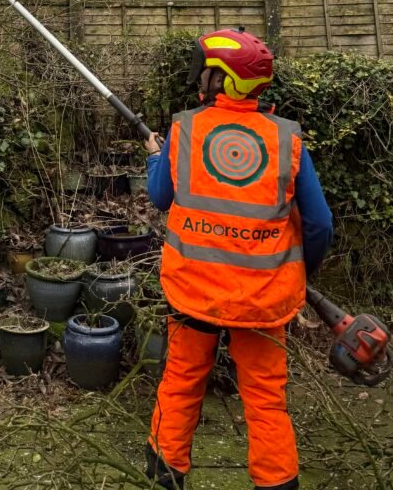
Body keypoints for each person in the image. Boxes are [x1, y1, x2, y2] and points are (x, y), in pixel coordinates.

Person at [144, 28, 333, 490]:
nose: (199, 81)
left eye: (206, 72)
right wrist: (298, 274)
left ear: (223, 80)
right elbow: (320, 224)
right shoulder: (286, 139)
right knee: (266, 399)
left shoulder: (183, 129)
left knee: (182, 380)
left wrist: (155, 158)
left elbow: (159, 197)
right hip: (264, 302)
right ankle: (277, 482)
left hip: (194, 295)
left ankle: (166, 477)